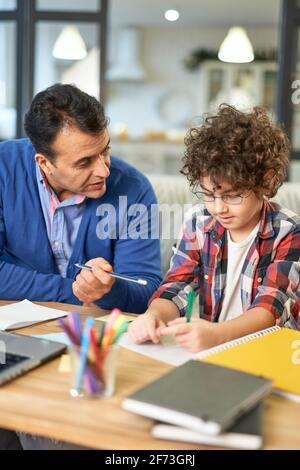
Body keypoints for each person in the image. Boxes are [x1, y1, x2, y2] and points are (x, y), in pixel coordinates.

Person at [128, 104, 300, 352]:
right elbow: (177, 284)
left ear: (267, 181)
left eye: (232, 196)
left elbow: (269, 308)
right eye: (209, 194)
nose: (218, 208)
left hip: (273, 352)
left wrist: (217, 335)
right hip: (216, 350)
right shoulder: (199, 222)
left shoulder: (289, 231)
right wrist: (154, 315)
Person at [0, 83, 162, 313]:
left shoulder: (134, 189)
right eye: (84, 162)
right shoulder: (4, 169)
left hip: (94, 330)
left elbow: (147, 288)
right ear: (44, 163)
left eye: (105, 151)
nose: (103, 171)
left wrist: (108, 291)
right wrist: (74, 290)